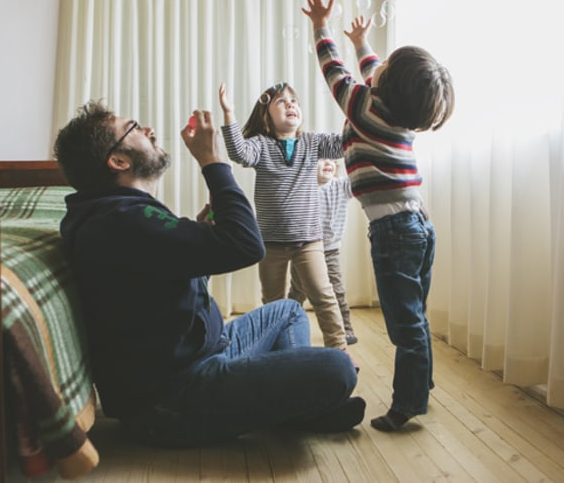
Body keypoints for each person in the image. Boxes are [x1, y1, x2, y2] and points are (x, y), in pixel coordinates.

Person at [53, 100, 365, 447]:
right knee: (337, 368)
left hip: (208, 353)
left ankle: (292, 402)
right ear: (118, 161)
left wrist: (198, 235)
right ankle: (294, 404)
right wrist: (212, 159)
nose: (149, 130)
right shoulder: (124, 220)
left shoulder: (117, 216)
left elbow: (164, 280)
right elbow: (249, 245)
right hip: (178, 396)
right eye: (135, 128)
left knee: (289, 311)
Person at [302, 0, 455, 432]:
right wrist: (363, 44)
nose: (376, 66)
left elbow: (335, 74)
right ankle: (420, 384)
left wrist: (321, 27)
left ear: (385, 87)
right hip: (417, 226)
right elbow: (373, 72)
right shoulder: (393, 111)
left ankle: (407, 405)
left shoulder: (365, 109)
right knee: (415, 315)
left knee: (403, 324)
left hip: (395, 231)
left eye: (383, 66)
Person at [218, 82, 351, 355]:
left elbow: (342, 145)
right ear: (266, 116)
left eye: (294, 101)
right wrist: (229, 114)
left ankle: (340, 352)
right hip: (271, 243)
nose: (291, 104)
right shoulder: (260, 145)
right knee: (273, 303)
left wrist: (355, 111)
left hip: (309, 240)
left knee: (324, 296)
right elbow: (238, 153)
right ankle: (277, 355)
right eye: (281, 101)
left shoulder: (312, 142)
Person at [288, 158, 358, 345]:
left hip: (330, 250)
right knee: (298, 290)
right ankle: (285, 326)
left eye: (331, 160)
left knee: (337, 290)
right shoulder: (303, 187)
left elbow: (358, 178)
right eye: (321, 159)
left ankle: (346, 329)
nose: (328, 163)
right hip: (304, 250)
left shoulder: (341, 186)